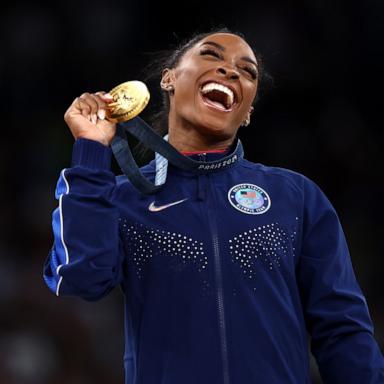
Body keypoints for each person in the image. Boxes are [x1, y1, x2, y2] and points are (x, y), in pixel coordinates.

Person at [43, 28, 384, 384]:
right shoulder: (123, 197)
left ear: (248, 111)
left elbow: (342, 329)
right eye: (211, 54)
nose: (230, 71)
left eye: (247, 71)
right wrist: (91, 151)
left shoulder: (294, 196)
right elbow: (80, 277)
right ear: (169, 78)